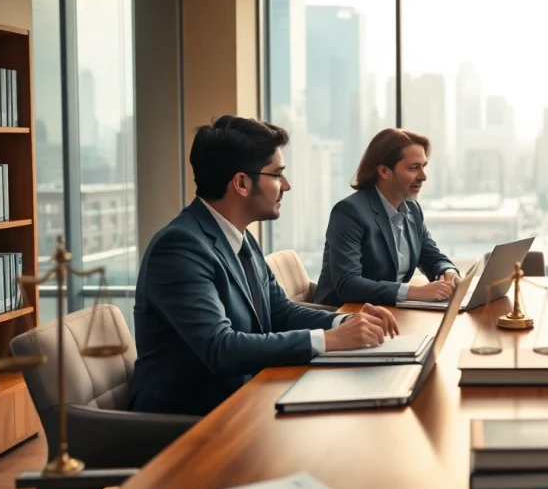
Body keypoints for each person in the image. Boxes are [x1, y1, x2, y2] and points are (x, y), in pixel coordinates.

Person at [128, 116, 398, 417]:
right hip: (193, 422)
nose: (287, 185)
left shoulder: (238, 236)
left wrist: (344, 322)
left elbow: (279, 311)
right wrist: (329, 340)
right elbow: (221, 348)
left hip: (250, 400)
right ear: (241, 183)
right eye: (277, 174)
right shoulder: (179, 247)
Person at [314, 128, 460, 307]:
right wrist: (415, 292)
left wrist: (448, 271)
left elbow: (432, 257)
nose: (423, 176)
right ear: (384, 171)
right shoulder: (349, 212)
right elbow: (348, 284)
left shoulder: (412, 209)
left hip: (391, 310)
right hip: (347, 315)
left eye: (423, 166)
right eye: (414, 168)